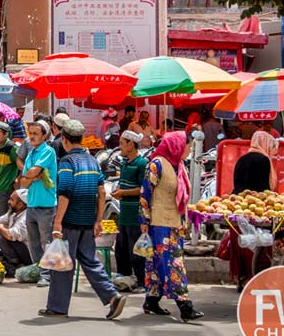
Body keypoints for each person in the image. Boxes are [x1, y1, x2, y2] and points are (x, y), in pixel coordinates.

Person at [42, 120, 126, 320]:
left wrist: (57, 222)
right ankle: (112, 296)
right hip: (88, 221)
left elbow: (65, 193)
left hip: (70, 220)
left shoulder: (67, 163)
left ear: (64, 139)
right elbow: (101, 192)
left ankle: (58, 307)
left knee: (62, 265)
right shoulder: (92, 161)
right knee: (90, 261)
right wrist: (98, 220)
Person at [140, 132, 204, 321]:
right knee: (173, 264)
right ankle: (185, 305)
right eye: (188, 146)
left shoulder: (180, 165)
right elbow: (145, 193)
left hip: (175, 222)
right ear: (176, 146)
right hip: (159, 222)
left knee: (156, 263)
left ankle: (151, 300)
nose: (190, 149)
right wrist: (144, 221)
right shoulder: (156, 165)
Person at [225, 130, 279, 291]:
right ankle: (256, 277)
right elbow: (264, 187)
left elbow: (236, 183)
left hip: (237, 204)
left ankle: (242, 279)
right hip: (256, 205)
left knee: (241, 243)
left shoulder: (242, 158)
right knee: (259, 244)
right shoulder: (263, 160)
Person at [20, 119, 58, 287]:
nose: (32, 137)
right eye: (31, 134)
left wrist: (32, 175)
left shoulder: (47, 151)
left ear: (45, 135)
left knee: (46, 241)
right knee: (33, 241)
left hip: (46, 205)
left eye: (36, 134)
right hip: (32, 204)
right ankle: (39, 270)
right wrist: (32, 176)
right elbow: (24, 181)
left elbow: (33, 172)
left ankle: (48, 275)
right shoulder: (30, 154)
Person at [111, 130, 148, 290]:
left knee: (136, 251)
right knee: (121, 247)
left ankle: (141, 281)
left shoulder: (142, 163)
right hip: (124, 213)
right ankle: (124, 277)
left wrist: (123, 193)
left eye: (122, 143)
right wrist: (119, 191)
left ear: (131, 144)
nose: (120, 147)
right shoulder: (125, 163)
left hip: (135, 214)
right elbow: (123, 183)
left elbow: (143, 189)